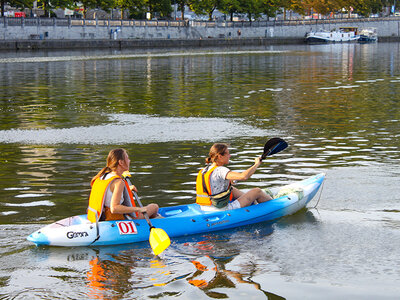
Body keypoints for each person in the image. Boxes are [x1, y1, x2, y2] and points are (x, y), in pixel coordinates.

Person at [87, 148, 159, 222]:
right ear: (121, 162)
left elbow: (108, 194)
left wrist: (127, 189)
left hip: (98, 218)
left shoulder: (102, 176)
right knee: (154, 207)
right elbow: (114, 208)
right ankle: (154, 223)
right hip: (114, 219)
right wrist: (138, 209)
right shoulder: (118, 182)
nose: (129, 161)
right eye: (127, 158)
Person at [196, 143, 272, 211]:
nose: (230, 156)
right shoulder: (221, 170)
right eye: (227, 154)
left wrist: (230, 181)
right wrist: (256, 164)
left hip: (205, 207)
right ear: (219, 156)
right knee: (257, 191)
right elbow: (244, 176)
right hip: (220, 209)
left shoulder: (205, 170)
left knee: (232, 189)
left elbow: (215, 184)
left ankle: (252, 201)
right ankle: (274, 203)